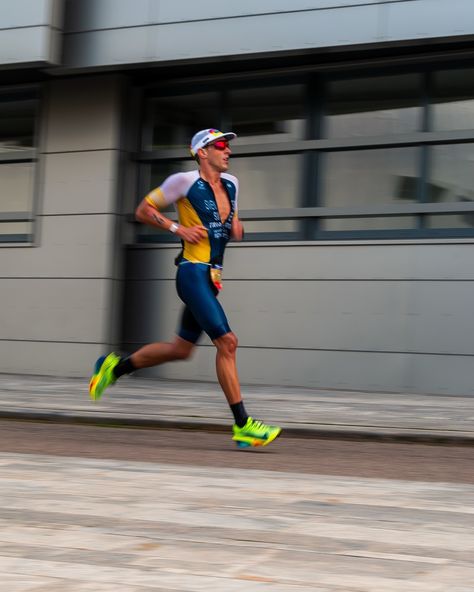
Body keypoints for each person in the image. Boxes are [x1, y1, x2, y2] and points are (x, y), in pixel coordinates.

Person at [89, 128, 281, 448]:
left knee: (181, 349)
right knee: (228, 343)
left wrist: (235, 228)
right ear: (202, 152)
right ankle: (243, 425)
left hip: (213, 279)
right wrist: (178, 227)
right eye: (221, 146)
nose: (228, 151)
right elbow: (143, 211)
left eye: (228, 146)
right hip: (192, 274)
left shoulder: (233, 184)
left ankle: (114, 368)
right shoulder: (183, 181)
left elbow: (231, 222)